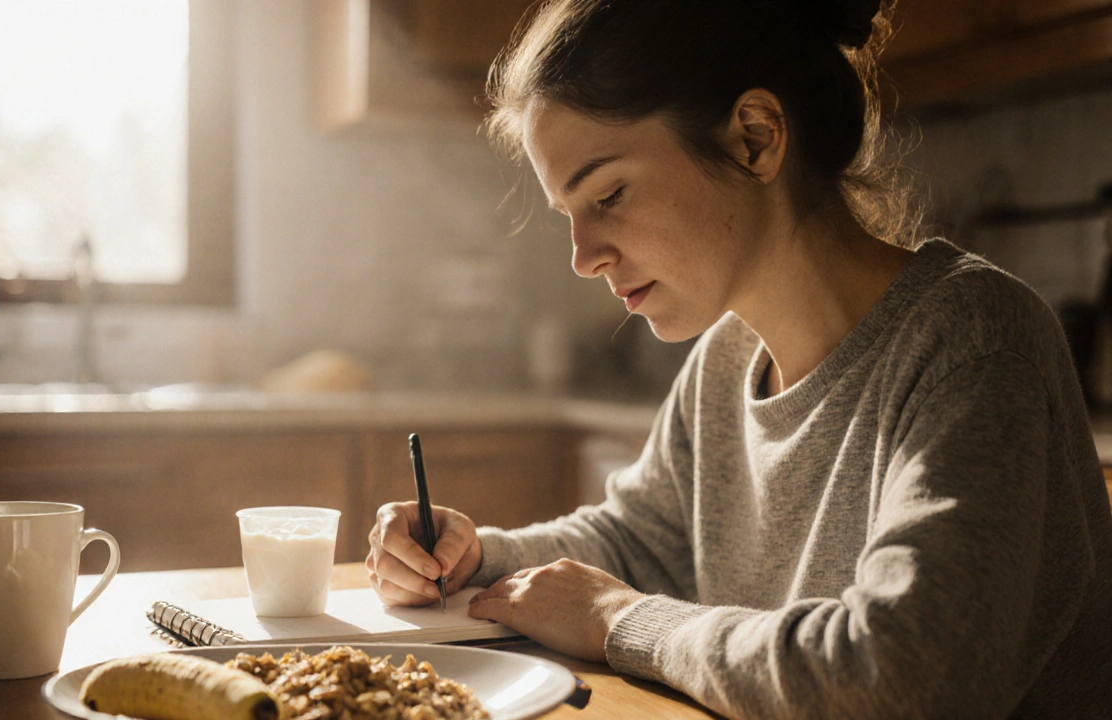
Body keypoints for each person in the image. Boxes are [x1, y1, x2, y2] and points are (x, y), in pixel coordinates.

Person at [366, 0, 1112, 716]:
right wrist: (476, 558)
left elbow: (901, 675)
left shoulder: (975, 340)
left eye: (611, 195)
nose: (583, 258)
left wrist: (620, 623)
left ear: (754, 138)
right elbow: (642, 543)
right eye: (570, 215)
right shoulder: (728, 357)